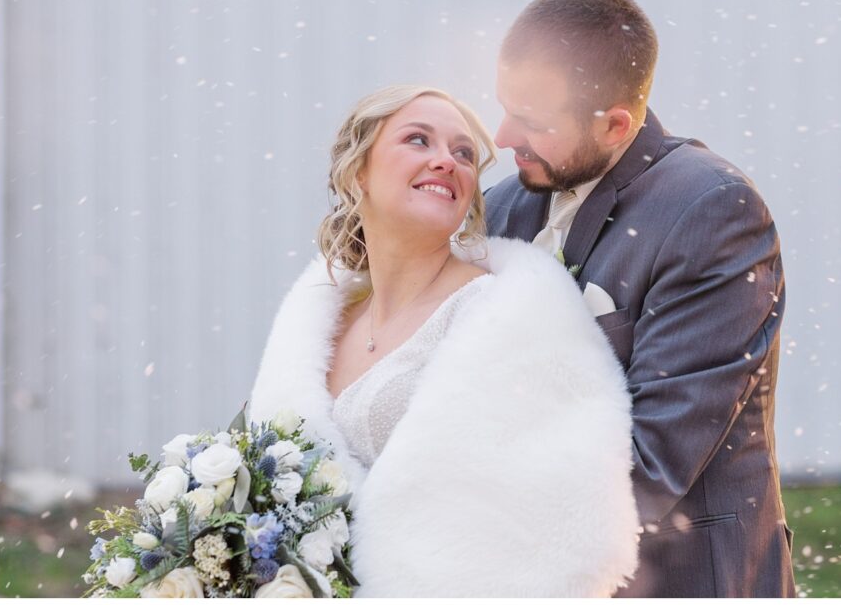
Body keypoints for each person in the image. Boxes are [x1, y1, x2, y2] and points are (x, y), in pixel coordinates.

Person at [248, 85, 639, 597]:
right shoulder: (318, 326)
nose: (446, 163)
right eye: (418, 140)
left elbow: (551, 513)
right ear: (357, 170)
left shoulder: (505, 316)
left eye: (463, 154)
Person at [485, 0, 796, 597]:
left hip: (676, 579)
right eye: (504, 106)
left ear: (616, 124)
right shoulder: (502, 208)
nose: (502, 138)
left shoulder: (712, 212)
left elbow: (650, 463)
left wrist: (465, 529)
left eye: (532, 121)